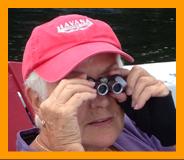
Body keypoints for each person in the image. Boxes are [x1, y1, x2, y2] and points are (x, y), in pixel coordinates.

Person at [16, 14, 176, 151]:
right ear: (37, 100)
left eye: (110, 81)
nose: (101, 102)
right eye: (77, 89)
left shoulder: (136, 126)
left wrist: (172, 137)